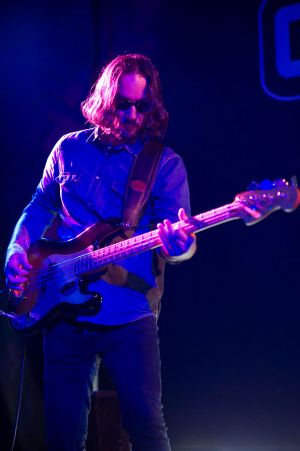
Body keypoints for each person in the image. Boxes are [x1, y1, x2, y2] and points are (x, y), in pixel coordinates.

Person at [4, 53, 196, 451]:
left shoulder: (164, 163)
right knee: (61, 435)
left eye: (142, 106)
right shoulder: (67, 149)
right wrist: (15, 250)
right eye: (122, 104)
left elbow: (179, 240)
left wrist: (182, 246)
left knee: (146, 428)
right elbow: (39, 206)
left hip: (130, 312)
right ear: (105, 101)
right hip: (61, 306)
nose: (132, 115)